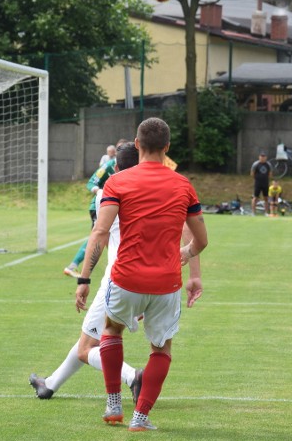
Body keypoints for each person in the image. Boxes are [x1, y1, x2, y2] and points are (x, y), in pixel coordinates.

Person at [75, 117, 208, 432]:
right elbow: (201, 241)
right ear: (167, 148)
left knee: (110, 332)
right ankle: (141, 417)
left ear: (136, 144)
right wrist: (185, 256)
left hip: (125, 279)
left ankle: (114, 405)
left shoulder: (117, 183)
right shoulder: (183, 185)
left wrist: (83, 279)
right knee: (161, 350)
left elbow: (100, 232)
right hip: (165, 283)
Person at [30, 143, 144, 401]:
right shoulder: (151, 193)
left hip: (118, 280)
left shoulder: (108, 190)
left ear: (115, 166)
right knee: (90, 336)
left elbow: (99, 236)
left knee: (87, 348)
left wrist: (83, 278)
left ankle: (132, 377)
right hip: (148, 280)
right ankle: (49, 384)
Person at [63, 139, 129, 277]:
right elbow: (91, 182)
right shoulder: (109, 166)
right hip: (101, 205)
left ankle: (115, 264)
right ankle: (73, 266)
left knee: (109, 235)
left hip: (117, 205)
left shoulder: (132, 168)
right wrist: (99, 192)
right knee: (100, 234)